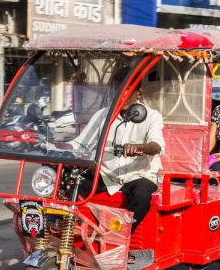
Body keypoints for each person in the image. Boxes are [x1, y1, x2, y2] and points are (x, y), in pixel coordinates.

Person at [70, 80, 165, 232]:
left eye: (126, 91)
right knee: (70, 184)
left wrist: (138, 147)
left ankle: (119, 236)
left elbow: (156, 146)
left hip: (138, 175)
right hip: (106, 174)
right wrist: (52, 147)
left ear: (138, 93)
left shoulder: (152, 116)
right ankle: (71, 231)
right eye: (117, 91)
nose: (121, 96)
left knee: (141, 197)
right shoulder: (103, 115)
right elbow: (79, 145)